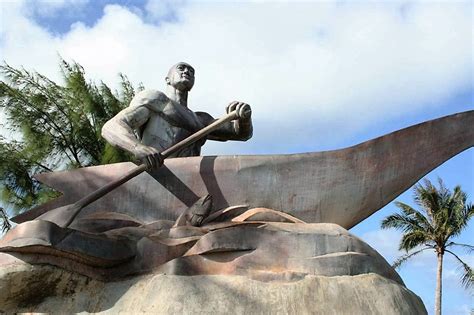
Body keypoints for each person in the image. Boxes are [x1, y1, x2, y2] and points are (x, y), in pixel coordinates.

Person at [102, 62, 253, 168]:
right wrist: (137, 148)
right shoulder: (155, 100)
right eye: (181, 68)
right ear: (167, 79)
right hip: (157, 172)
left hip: (190, 178)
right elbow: (111, 127)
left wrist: (244, 118)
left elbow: (240, 134)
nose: (187, 72)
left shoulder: (201, 119)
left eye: (191, 72)